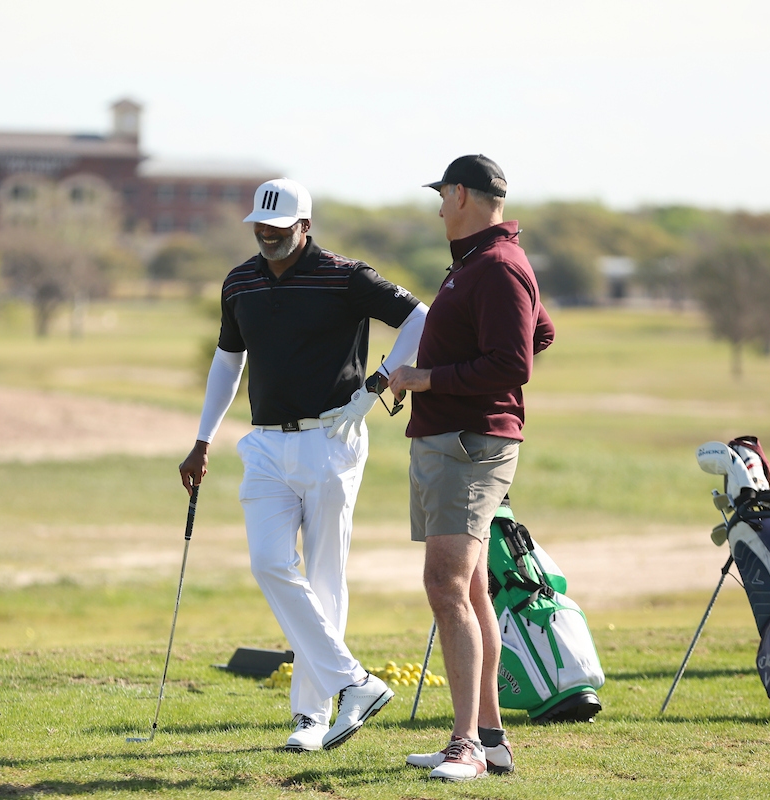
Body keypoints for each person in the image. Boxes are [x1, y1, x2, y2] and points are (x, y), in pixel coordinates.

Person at [179, 177, 429, 751]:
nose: (265, 234)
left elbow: (420, 317)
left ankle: (312, 717)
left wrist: (380, 383)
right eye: (259, 226)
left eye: (278, 226)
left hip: (331, 440)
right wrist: (203, 438)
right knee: (269, 564)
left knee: (324, 576)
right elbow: (227, 360)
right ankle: (354, 684)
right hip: (264, 444)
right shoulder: (240, 280)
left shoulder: (346, 276)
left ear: (305, 226)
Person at [388, 155, 554, 781]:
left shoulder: (495, 267)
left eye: (442, 194)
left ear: (460, 194)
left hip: (467, 446)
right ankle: (489, 738)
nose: (437, 207)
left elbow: (516, 360)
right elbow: (541, 333)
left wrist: (429, 377)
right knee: (473, 588)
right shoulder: (480, 265)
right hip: (453, 440)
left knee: (445, 586)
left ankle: (465, 747)